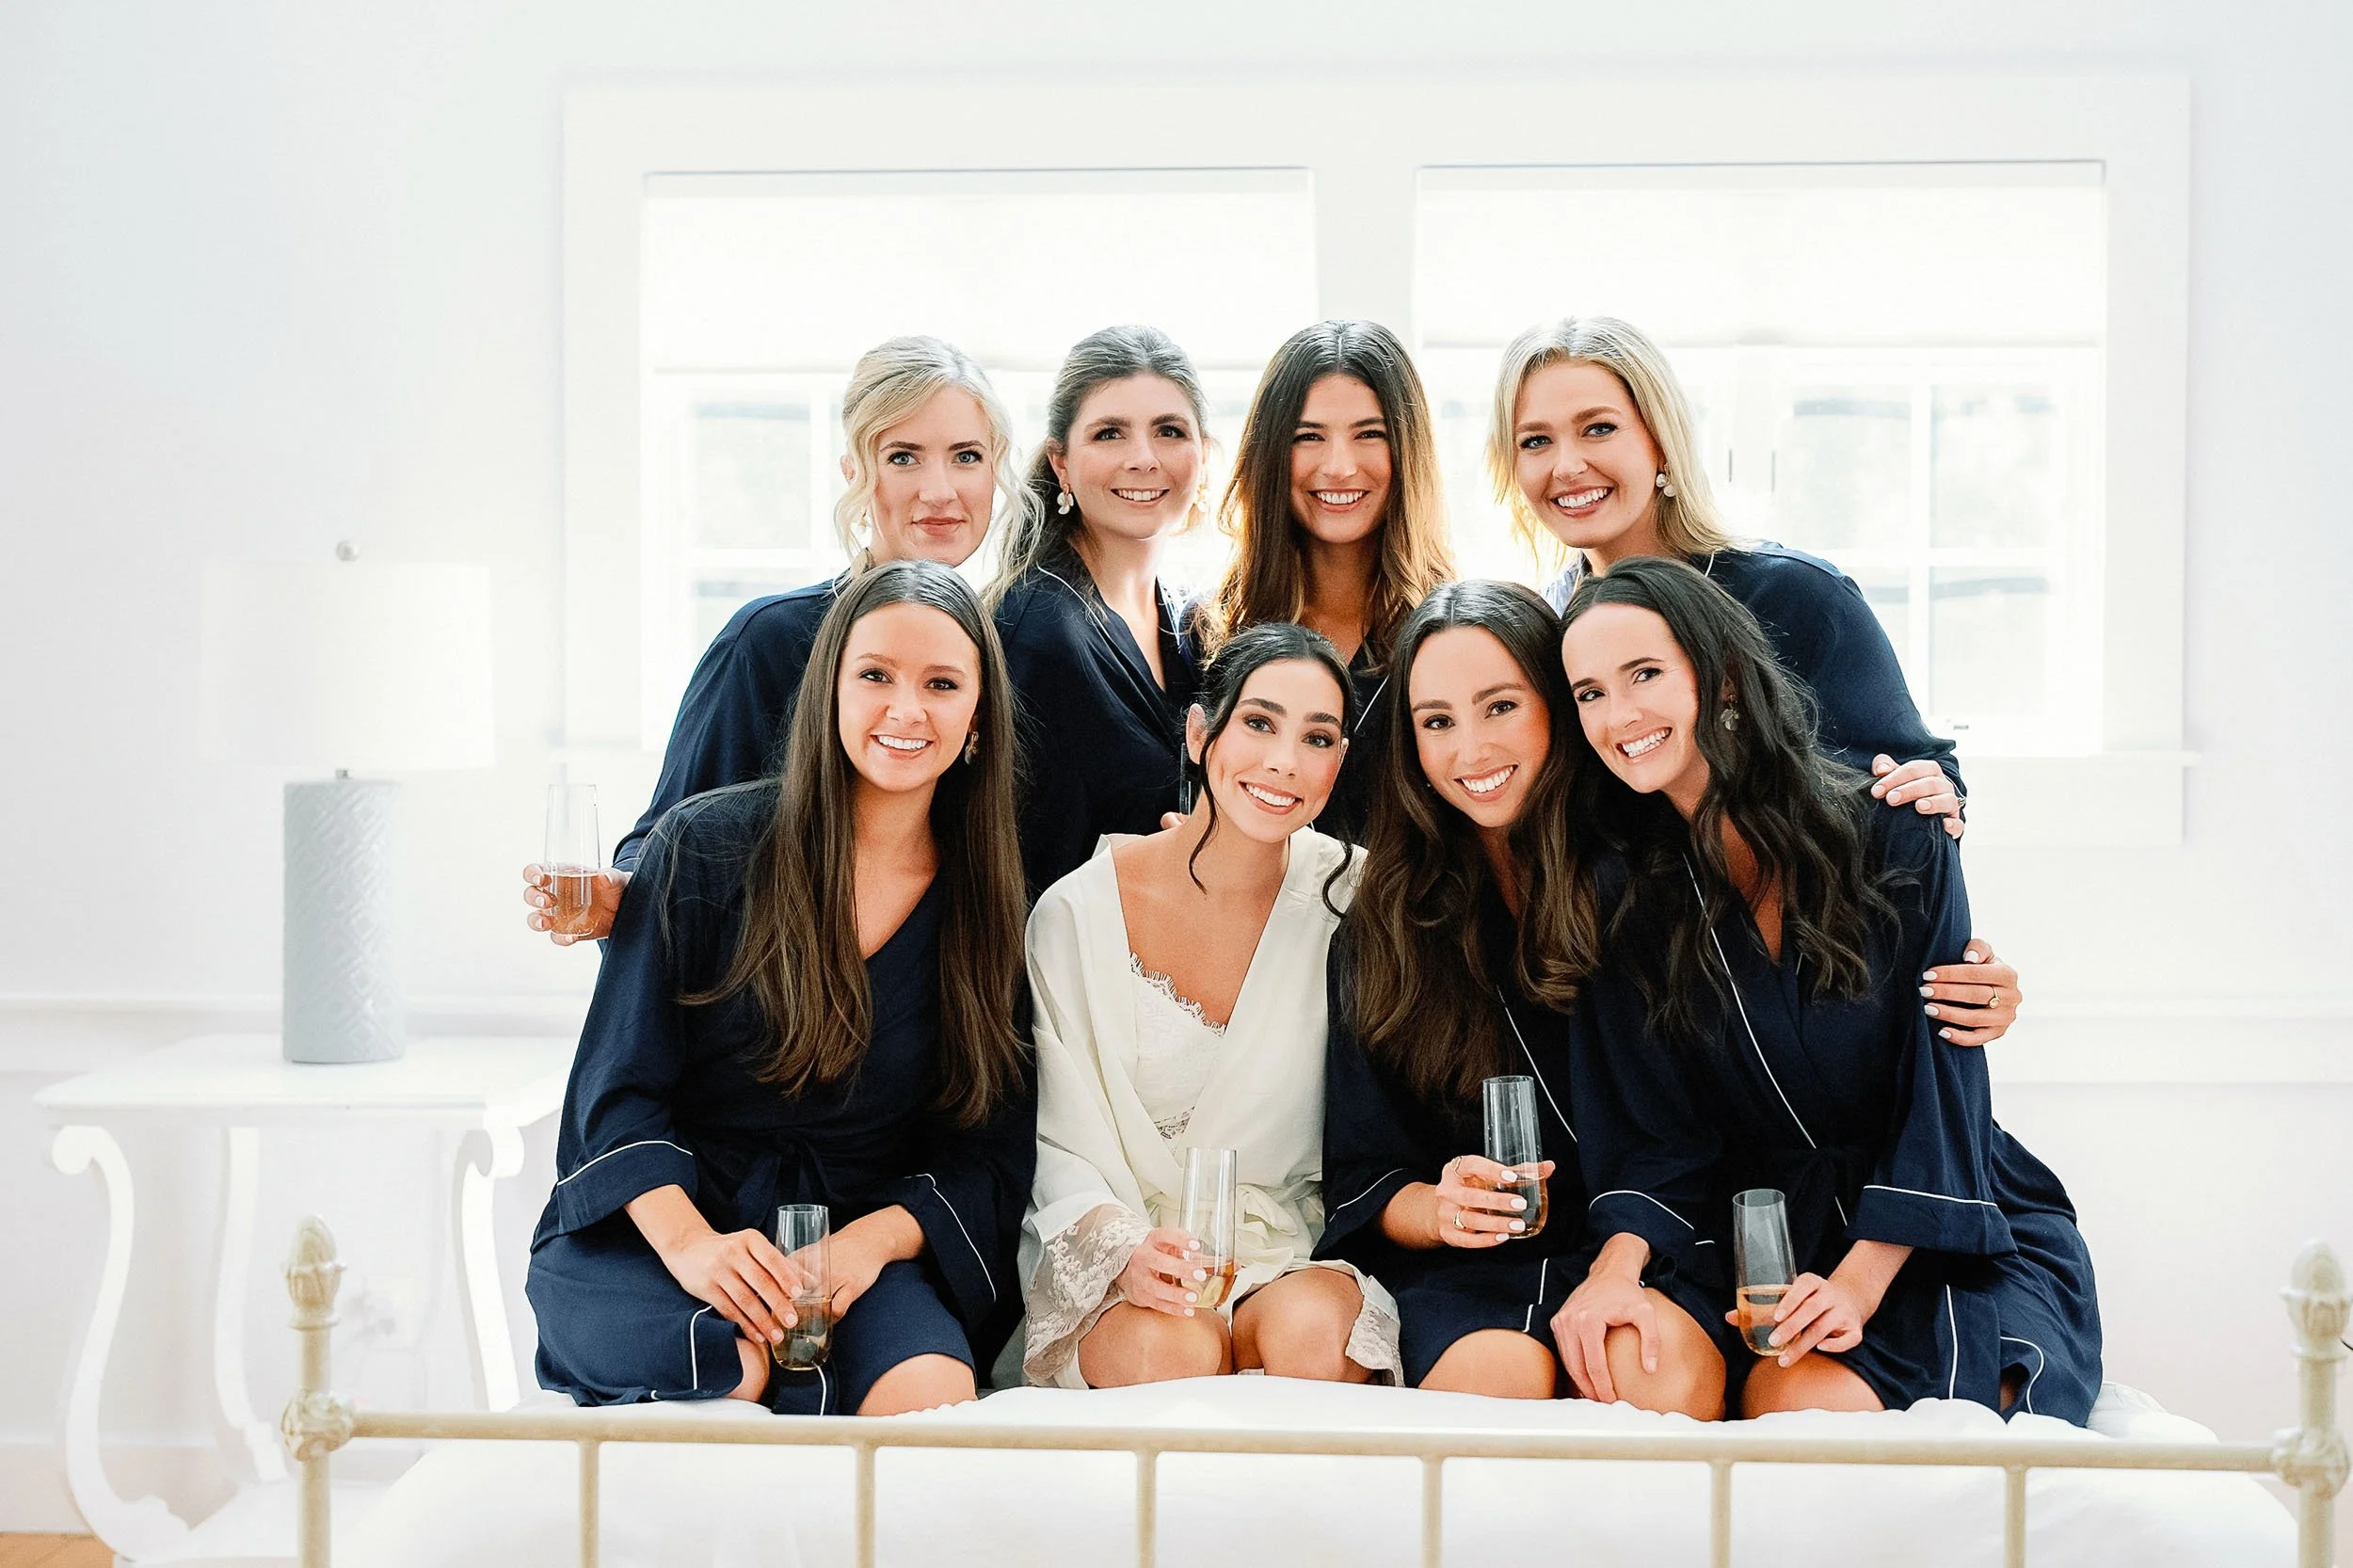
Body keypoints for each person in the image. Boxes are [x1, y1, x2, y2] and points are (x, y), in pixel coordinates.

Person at [1552, 555, 2100, 1422]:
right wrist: (1613, 1271)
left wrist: (1857, 1284)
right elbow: (1652, 1133)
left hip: (1932, 1222)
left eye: (1645, 674)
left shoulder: (1899, 831)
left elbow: (1944, 1090)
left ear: (1723, 677)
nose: (1619, 716)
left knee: (1825, 1410)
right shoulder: (1620, 894)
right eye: (1590, 693)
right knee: (1672, 1377)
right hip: (1753, 1229)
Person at [524, 560, 1035, 1416]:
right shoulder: (700, 847)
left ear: (978, 718)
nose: (906, 710)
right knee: (731, 1371)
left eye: (942, 684)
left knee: (932, 1394)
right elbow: (617, 1094)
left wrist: (862, 1250)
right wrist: (697, 1250)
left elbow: (988, 1150)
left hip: (851, 1247)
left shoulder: (992, 906)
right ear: (828, 689)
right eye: (875, 676)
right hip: (661, 1232)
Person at [1490, 314, 2023, 1048]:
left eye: (1599, 428)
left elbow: (1915, 805)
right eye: (1535, 442)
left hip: (1825, 1028)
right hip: (1654, 1039)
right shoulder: (1539, 639)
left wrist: (1962, 973)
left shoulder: (1797, 598)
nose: (1568, 465)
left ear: (1661, 441)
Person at [1316, 580, 1723, 1414]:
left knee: (1643, 1372)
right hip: (1472, 1271)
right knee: (1492, 1385)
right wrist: (1439, 1208)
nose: (1470, 749)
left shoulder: (1651, 879)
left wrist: (1616, 1270)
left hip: (1657, 1240)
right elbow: (1364, 1169)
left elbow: (1696, 1130)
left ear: (1556, 706)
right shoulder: (1384, 927)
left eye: (1500, 707)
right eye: (1437, 722)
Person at [523, 334, 1030, 941]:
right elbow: (669, 841)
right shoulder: (770, 640)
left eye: (967, 456)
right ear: (854, 473)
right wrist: (619, 898)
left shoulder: (1012, 644)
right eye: (903, 457)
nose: (940, 490)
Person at [1022, 622, 1400, 1388]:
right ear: (1200, 734)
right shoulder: (1076, 912)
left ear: (1339, 762)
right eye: (1259, 723)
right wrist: (1125, 1250)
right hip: (1118, 1247)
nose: (1283, 762)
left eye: (1317, 738)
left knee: (1317, 1336)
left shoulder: (1359, 899)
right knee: (1173, 1350)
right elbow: (1059, 1136)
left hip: (1286, 1249)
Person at [985, 325, 1216, 903]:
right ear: (1061, 464)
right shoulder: (1037, 634)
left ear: (1203, 454)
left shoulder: (1192, 623)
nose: (1143, 459)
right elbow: (1019, 868)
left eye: (1169, 431)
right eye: (1110, 433)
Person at [1199, 320, 1455, 840]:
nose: (1339, 467)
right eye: (1309, 437)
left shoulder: (1452, 636)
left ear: (1408, 451)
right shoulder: (1210, 630)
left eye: (1369, 434)